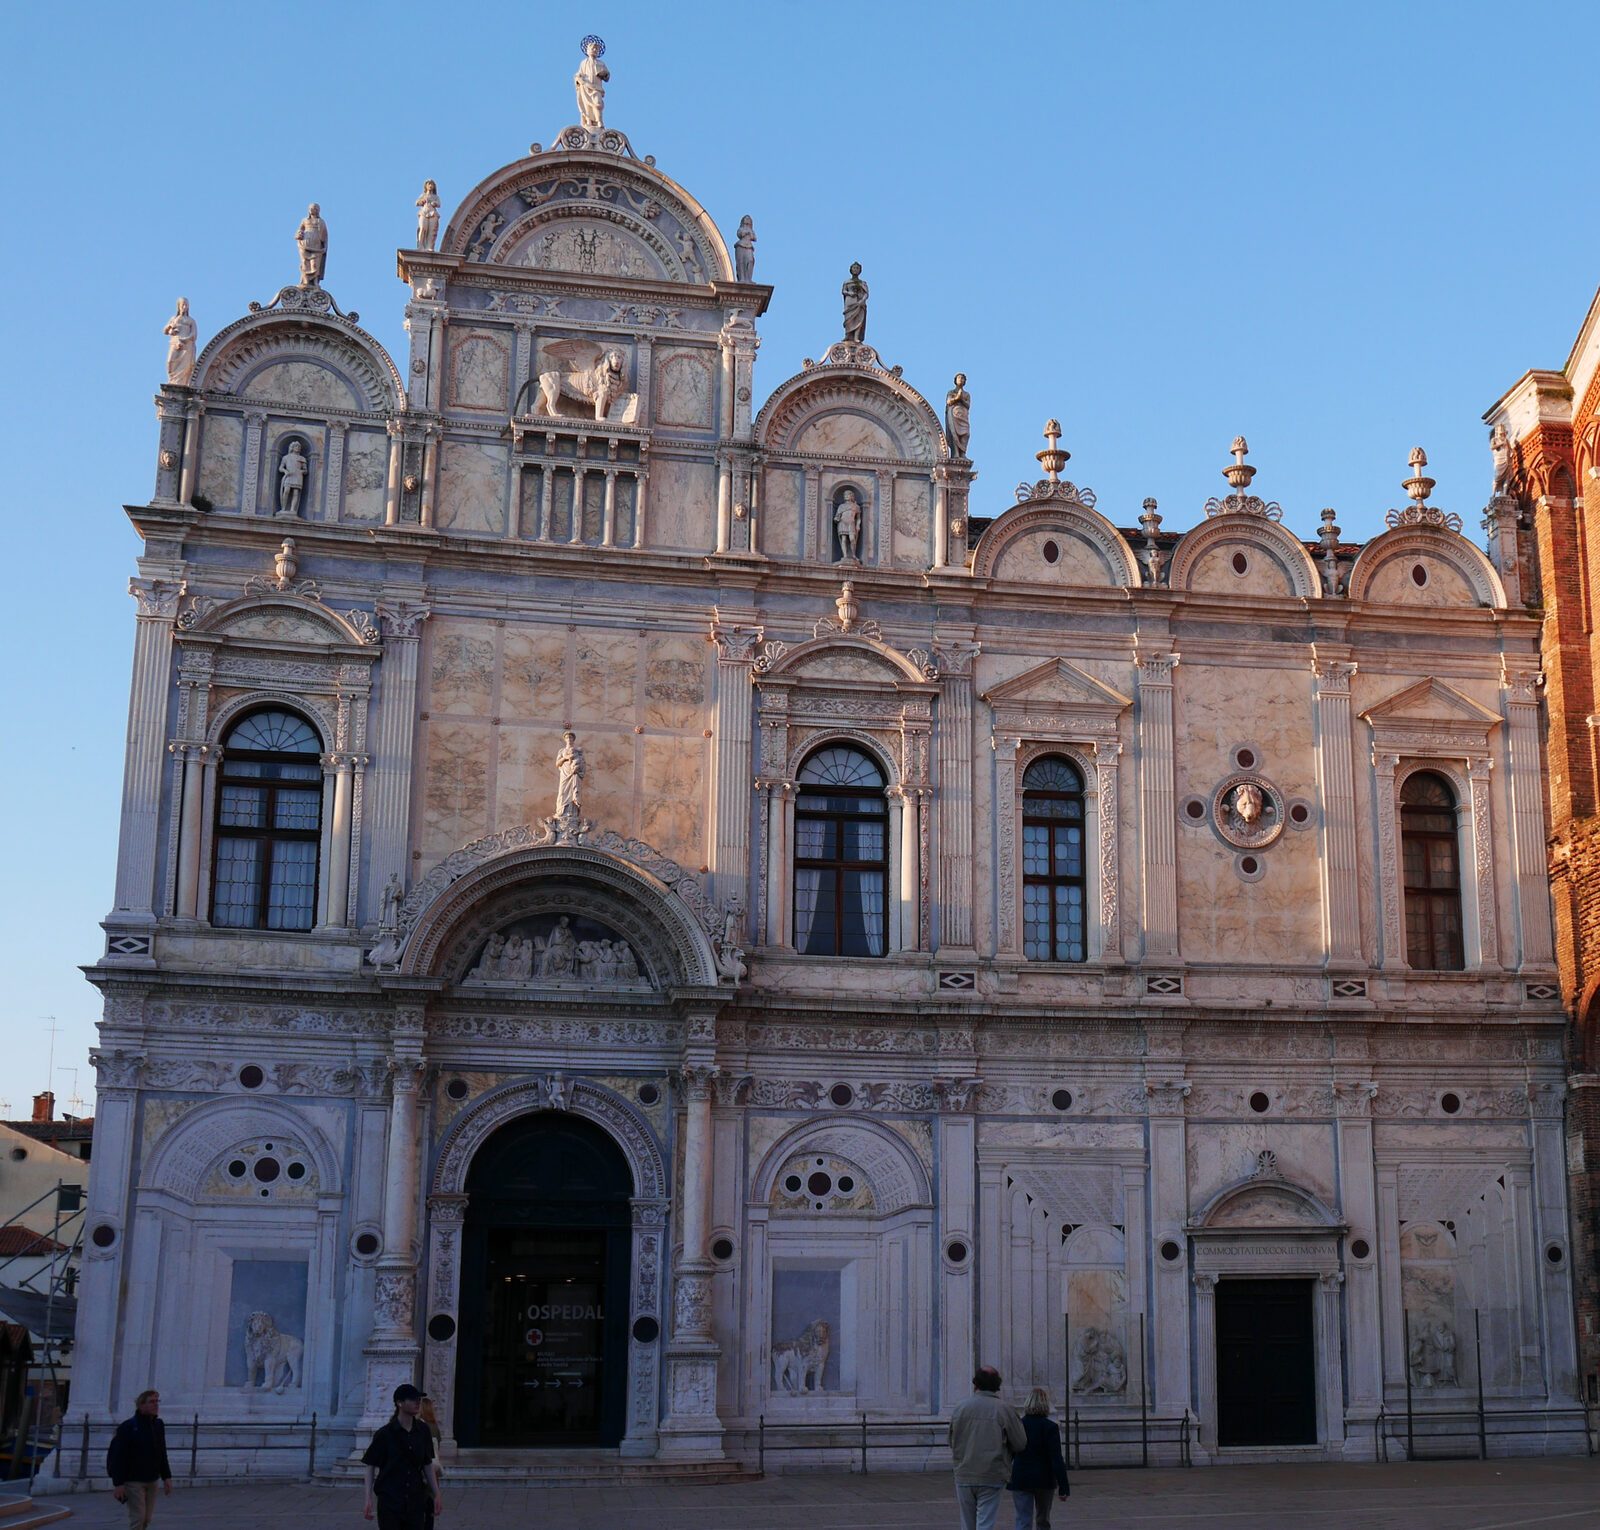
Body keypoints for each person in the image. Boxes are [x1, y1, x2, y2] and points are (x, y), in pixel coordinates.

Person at [949, 1366, 1026, 1530]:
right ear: (997, 1385)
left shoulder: (960, 1408)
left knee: (967, 1523)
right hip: (992, 1473)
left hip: (964, 1473)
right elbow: (1020, 1443)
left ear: (976, 1384)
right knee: (985, 1523)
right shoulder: (1005, 1409)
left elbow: (951, 1441)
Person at [362, 1383, 443, 1529]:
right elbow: (370, 1465)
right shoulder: (385, 1434)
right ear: (399, 1403)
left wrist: (436, 1493)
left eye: (419, 1399)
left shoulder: (423, 1430)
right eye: (413, 1399)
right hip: (390, 1499)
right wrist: (368, 1498)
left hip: (415, 1499)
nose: (418, 1402)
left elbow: (427, 1463)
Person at [106, 1389, 172, 1530]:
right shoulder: (128, 1427)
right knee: (138, 1518)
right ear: (141, 1406)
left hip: (152, 1480)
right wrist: (118, 1483)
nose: (156, 1405)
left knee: (146, 1518)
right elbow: (118, 1456)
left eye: (156, 1401)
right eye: (151, 1402)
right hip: (133, 1481)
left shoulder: (158, 1425)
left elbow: (161, 1452)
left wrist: (167, 1477)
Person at [1007, 1387, 1069, 1530]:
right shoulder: (1050, 1427)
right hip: (1044, 1478)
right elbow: (1056, 1458)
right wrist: (1063, 1486)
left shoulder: (1019, 1425)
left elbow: (1010, 1452)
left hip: (1021, 1477)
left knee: (1023, 1519)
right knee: (1043, 1519)